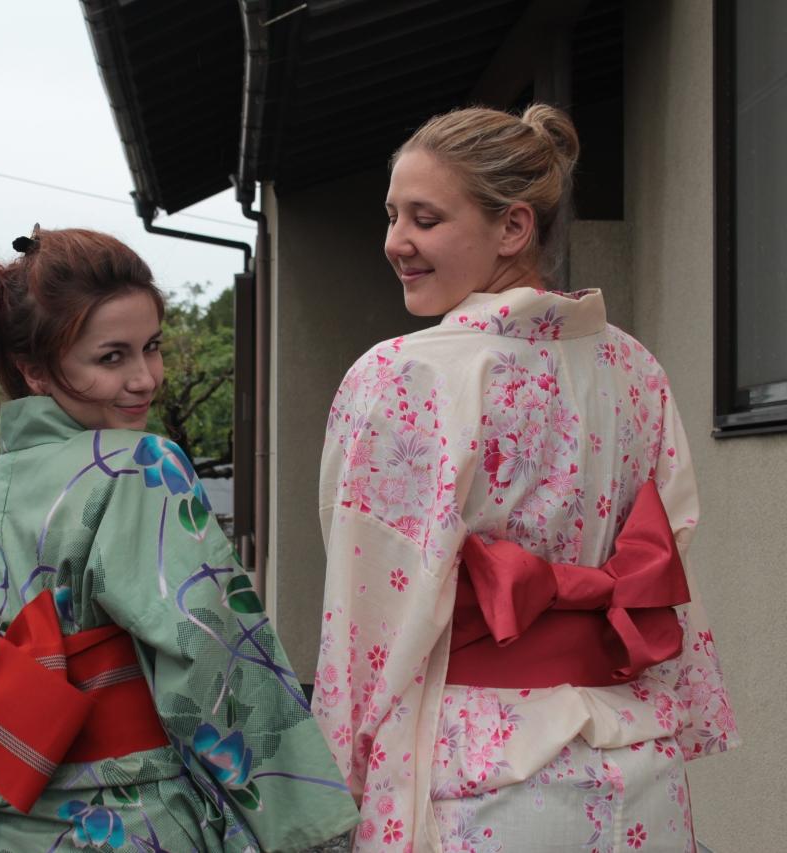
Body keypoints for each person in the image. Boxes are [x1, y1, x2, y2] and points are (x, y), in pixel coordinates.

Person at [313, 104, 738, 851]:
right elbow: (667, 559)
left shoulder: (403, 375)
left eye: (424, 219)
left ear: (513, 227)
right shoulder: (633, 367)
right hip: (637, 761)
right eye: (391, 216)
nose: (395, 241)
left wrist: (339, 770)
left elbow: (370, 605)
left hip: (478, 772)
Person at [0, 227, 359, 851]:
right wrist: (295, 804)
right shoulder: (138, 464)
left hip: (6, 818)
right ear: (34, 370)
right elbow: (207, 650)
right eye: (112, 357)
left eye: (151, 347)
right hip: (128, 814)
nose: (144, 378)